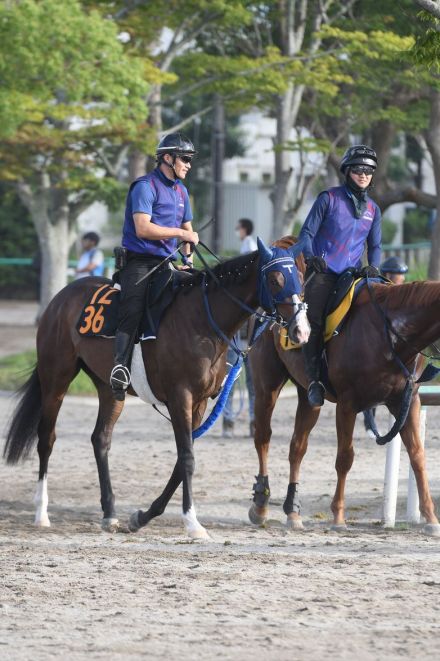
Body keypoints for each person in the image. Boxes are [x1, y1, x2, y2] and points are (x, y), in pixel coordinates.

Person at [110, 132, 199, 400]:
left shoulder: (182, 191)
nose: (189, 165)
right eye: (185, 159)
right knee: (133, 307)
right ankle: (120, 368)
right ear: (168, 158)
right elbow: (143, 228)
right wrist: (181, 235)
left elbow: (188, 230)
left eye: (190, 160)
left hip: (168, 264)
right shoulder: (144, 187)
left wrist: (188, 259)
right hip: (139, 263)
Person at [298, 144, 382, 408]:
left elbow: (376, 246)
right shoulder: (328, 198)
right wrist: (311, 257)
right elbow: (306, 235)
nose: (363, 174)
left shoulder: (374, 209)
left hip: (354, 275)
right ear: (347, 171)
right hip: (323, 273)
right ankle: (313, 380)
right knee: (314, 321)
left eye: (368, 171)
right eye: (358, 169)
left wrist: (374, 267)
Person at [363, 255, 408, 437]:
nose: (403, 279)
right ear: (388, 275)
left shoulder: (402, 295)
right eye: (399, 275)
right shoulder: (377, 294)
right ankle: (369, 423)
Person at [222, 218, 258, 438]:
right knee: (233, 380)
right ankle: (228, 421)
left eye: (239, 227)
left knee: (250, 382)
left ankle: (253, 421)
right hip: (238, 337)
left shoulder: (249, 246)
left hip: (248, 336)